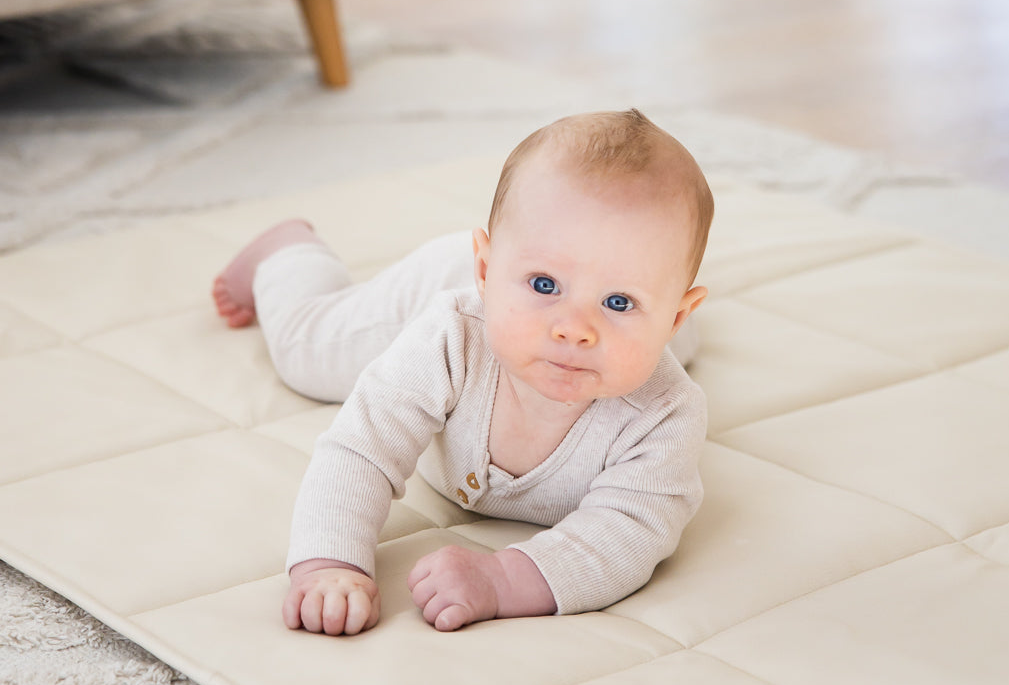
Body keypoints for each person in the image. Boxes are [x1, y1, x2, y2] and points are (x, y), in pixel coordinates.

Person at [211, 108, 714, 637]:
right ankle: (288, 251)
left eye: (617, 301)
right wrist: (329, 562)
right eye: (545, 285)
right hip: (442, 284)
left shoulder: (666, 413)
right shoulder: (450, 336)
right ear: (486, 269)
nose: (574, 330)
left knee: (669, 346)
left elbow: (628, 532)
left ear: (678, 314)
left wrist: (503, 579)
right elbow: (362, 447)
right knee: (307, 352)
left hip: (603, 301)